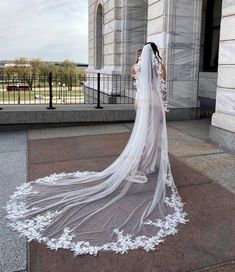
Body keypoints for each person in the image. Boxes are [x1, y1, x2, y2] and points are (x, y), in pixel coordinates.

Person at [5, 43, 188, 256]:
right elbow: (163, 87)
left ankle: (143, 162)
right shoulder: (161, 67)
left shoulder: (136, 66)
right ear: (156, 53)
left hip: (141, 102)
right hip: (155, 103)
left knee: (141, 135)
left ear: (142, 54)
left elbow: (134, 78)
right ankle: (150, 163)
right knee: (152, 135)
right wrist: (164, 106)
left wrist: (137, 59)